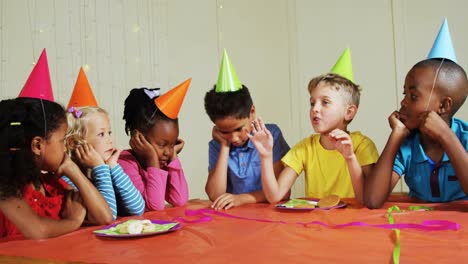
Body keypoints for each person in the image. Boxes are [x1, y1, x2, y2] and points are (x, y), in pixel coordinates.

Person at [250, 73, 379, 204]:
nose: (315, 109)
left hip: (353, 222)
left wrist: (350, 158)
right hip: (316, 223)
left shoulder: (363, 146)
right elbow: (275, 196)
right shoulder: (305, 148)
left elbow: (366, 199)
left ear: (349, 112)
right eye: (312, 103)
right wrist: (266, 156)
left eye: (325, 102)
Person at [0, 98, 111, 239]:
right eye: (62, 140)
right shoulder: (5, 186)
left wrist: (73, 170)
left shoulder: (50, 184)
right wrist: (73, 222)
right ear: (38, 145)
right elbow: (38, 231)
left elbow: (104, 217)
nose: (65, 148)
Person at [364, 59, 468, 208]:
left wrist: (446, 136)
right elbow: (372, 200)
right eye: (404, 93)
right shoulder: (407, 143)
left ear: (444, 105)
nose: (403, 102)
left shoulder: (465, 138)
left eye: (413, 96)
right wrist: (396, 135)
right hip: (419, 226)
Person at [204, 50, 290, 210]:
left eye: (238, 129)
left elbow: (282, 193)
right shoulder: (217, 144)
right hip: (234, 220)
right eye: (224, 131)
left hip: (269, 217)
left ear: (252, 112)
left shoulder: (271, 136)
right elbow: (215, 195)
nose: (234, 138)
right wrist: (224, 145)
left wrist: (243, 198)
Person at [119, 79, 190, 211]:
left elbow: (180, 200)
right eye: (162, 145)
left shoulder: (162, 161)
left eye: (172, 144)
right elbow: (154, 206)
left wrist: (174, 158)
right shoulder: (124, 163)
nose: (167, 152)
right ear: (138, 137)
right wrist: (152, 159)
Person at [64, 106, 145, 219]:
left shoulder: (107, 170)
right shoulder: (69, 180)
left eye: (109, 133)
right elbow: (109, 215)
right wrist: (99, 167)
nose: (110, 140)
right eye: (101, 134)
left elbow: (138, 208)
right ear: (74, 143)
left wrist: (113, 166)